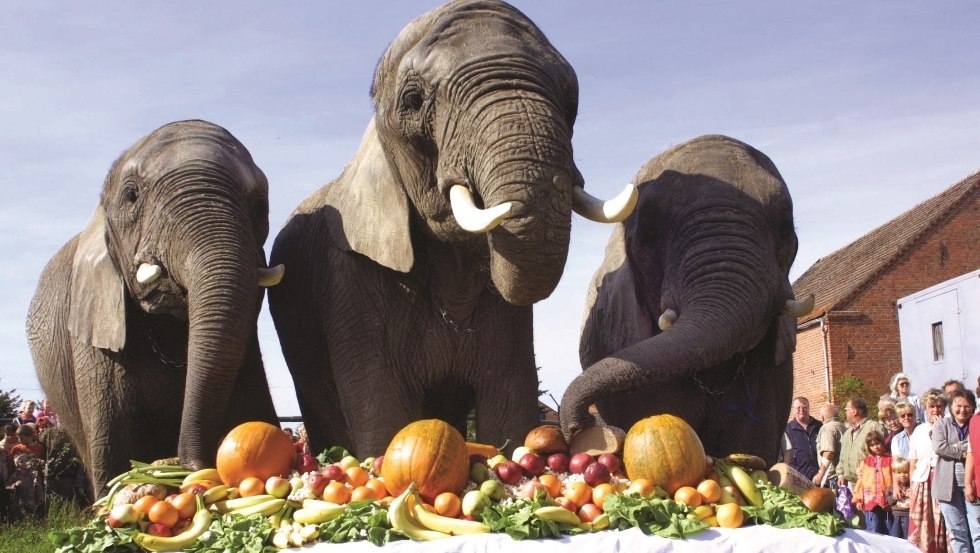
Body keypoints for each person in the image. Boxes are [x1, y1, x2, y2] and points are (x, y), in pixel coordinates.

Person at [932, 389, 978, 553]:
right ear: (951, 407)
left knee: (977, 529)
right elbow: (938, 446)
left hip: (973, 485)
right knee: (957, 532)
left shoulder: (975, 424)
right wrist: (962, 452)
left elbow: (975, 448)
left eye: (967, 406)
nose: (962, 410)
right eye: (958, 405)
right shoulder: (941, 424)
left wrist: (956, 447)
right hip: (947, 487)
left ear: (973, 408)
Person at [908, 389, 949, 553]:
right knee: (923, 524)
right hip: (922, 481)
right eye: (932, 406)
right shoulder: (919, 430)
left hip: (942, 479)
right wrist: (912, 486)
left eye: (939, 406)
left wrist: (939, 429)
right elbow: (913, 461)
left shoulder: (949, 426)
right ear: (925, 408)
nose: (935, 410)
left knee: (943, 522)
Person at [837, 397, 887, 491]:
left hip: (870, 483)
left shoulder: (873, 427)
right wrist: (840, 474)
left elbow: (883, 454)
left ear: (854, 411)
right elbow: (842, 456)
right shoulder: (847, 433)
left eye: (846, 410)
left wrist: (870, 472)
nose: (845, 412)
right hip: (851, 485)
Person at [853, 430, 893, 533]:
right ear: (869, 447)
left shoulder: (890, 459)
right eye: (872, 445)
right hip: (870, 501)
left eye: (878, 443)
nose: (876, 447)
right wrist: (858, 499)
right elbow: (861, 481)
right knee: (873, 528)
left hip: (887, 501)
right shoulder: (865, 462)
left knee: (889, 528)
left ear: (882, 442)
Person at [783, 397, 822, 481]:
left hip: (819, 476)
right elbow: (784, 453)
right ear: (793, 409)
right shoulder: (787, 429)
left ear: (808, 408)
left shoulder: (819, 426)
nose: (801, 410)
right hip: (799, 477)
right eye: (798, 408)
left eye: (804, 407)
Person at [813, 403, 846, 486]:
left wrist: (820, 473)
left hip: (833, 479)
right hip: (844, 475)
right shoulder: (843, 427)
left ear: (823, 417)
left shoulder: (827, 428)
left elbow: (829, 452)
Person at [5, 453, 44, 520]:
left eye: (25, 461)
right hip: (20, 501)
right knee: (21, 517)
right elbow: (7, 486)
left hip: (32, 500)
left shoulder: (33, 473)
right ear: (17, 463)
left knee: (33, 517)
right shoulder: (15, 475)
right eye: (21, 461)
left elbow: (39, 487)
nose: (24, 463)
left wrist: (40, 499)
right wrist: (15, 485)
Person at [891, 456, 911, 538]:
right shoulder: (893, 487)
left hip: (909, 515)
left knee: (908, 536)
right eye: (899, 473)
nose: (902, 475)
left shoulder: (912, 486)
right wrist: (895, 497)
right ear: (894, 474)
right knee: (896, 536)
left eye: (905, 472)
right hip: (897, 515)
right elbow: (888, 498)